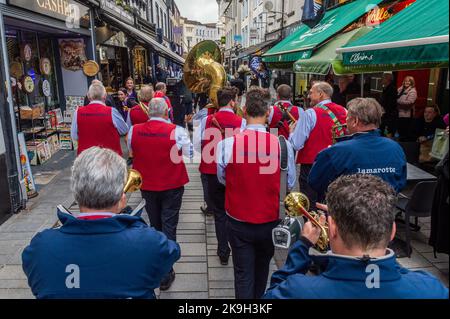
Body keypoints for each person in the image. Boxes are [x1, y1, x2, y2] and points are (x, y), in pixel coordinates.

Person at [22, 147, 181, 299]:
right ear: (122, 198)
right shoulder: (148, 242)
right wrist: (133, 223)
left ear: (76, 194)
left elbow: (37, 284)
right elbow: (172, 253)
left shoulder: (41, 247)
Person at [263, 174, 448, 299]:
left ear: (332, 229)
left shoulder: (298, 290)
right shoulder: (432, 289)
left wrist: (303, 245)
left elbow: (273, 293)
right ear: (392, 231)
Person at [217, 87, 296, 299]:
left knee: (242, 272)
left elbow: (222, 178)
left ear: (243, 111)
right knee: (262, 269)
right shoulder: (283, 144)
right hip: (270, 219)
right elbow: (289, 182)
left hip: (237, 218)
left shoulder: (227, 143)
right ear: (268, 112)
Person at [128, 98, 192, 291]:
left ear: (149, 113)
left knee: (155, 224)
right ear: (166, 113)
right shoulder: (177, 131)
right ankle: (166, 271)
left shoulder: (134, 130)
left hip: (148, 185)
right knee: (169, 225)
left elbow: (132, 150)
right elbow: (189, 153)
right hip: (172, 183)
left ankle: (158, 263)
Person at [308, 98, 407, 200]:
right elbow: (400, 183)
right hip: (384, 211)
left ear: (355, 121)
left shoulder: (337, 151)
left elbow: (315, 182)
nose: (345, 122)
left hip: (348, 211)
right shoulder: (395, 148)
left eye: (347, 118)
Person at [197, 87, 246, 266]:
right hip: (234, 171)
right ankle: (237, 245)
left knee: (218, 212)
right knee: (233, 211)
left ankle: (223, 250)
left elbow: (198, 145)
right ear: (232, 101)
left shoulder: (207, 119)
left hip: (211, 171)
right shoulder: (241, 122)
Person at [290, 81, 347, 209]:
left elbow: (296, 143)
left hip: (312, 167)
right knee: (334, 206)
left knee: (311, 208)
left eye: (311, 92)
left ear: (321, 94)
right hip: (337, 165)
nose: (309, 96)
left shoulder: (310, 113)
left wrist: (291, 133)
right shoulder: (344, 110)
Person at [71, 83, 128, 156]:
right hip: (110, 156)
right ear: (105, 96)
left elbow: (74, 136)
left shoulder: (78, 112)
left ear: (88, 96)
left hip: (86, 157)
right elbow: (124, 130)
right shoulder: (112, 111)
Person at [397, 76, 418, 141]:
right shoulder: (400, 89)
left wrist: (397, 101)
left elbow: (410, 102)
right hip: (399, 113)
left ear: (412, 83)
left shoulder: (413, 91)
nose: (407, 82)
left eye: (409, 81)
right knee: (399, 131)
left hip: (406, 115)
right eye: (405, 81)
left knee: (404, 133)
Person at [379, 73, 398, 137]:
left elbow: (390, 104)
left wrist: (383, 111)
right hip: (385, 115)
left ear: (387, 79)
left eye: (383, 78)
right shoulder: (386, 88)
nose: (381, 79)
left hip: (389, 117)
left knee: (388, 133)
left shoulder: (392, 89)